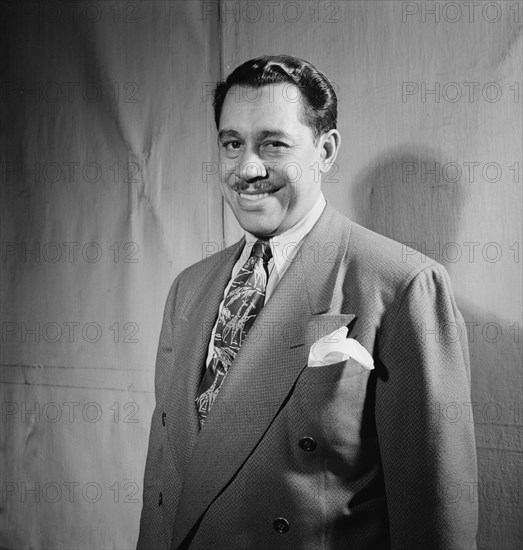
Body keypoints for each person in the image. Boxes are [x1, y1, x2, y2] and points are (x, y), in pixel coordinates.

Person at [137, 55, 478, 550]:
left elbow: (435, 513)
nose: (248, 168)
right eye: (232, 144)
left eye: (273, 144)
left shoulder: (402, 286)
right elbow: (164, 484)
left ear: (326, 151)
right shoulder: (187, 289)